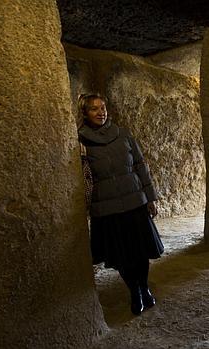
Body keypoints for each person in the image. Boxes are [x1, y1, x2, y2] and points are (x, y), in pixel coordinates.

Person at [78, 94, 164, 316]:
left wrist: (151, 197)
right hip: (107, 209)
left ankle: (144, 287)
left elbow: (140, 165)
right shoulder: (80, 141)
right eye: (94, 109)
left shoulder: (123, 134)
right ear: (85, 113)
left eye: (103, 107)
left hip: (134, 201)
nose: (101, 112)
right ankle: (134, 291)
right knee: (122, 256)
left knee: (140, 251)